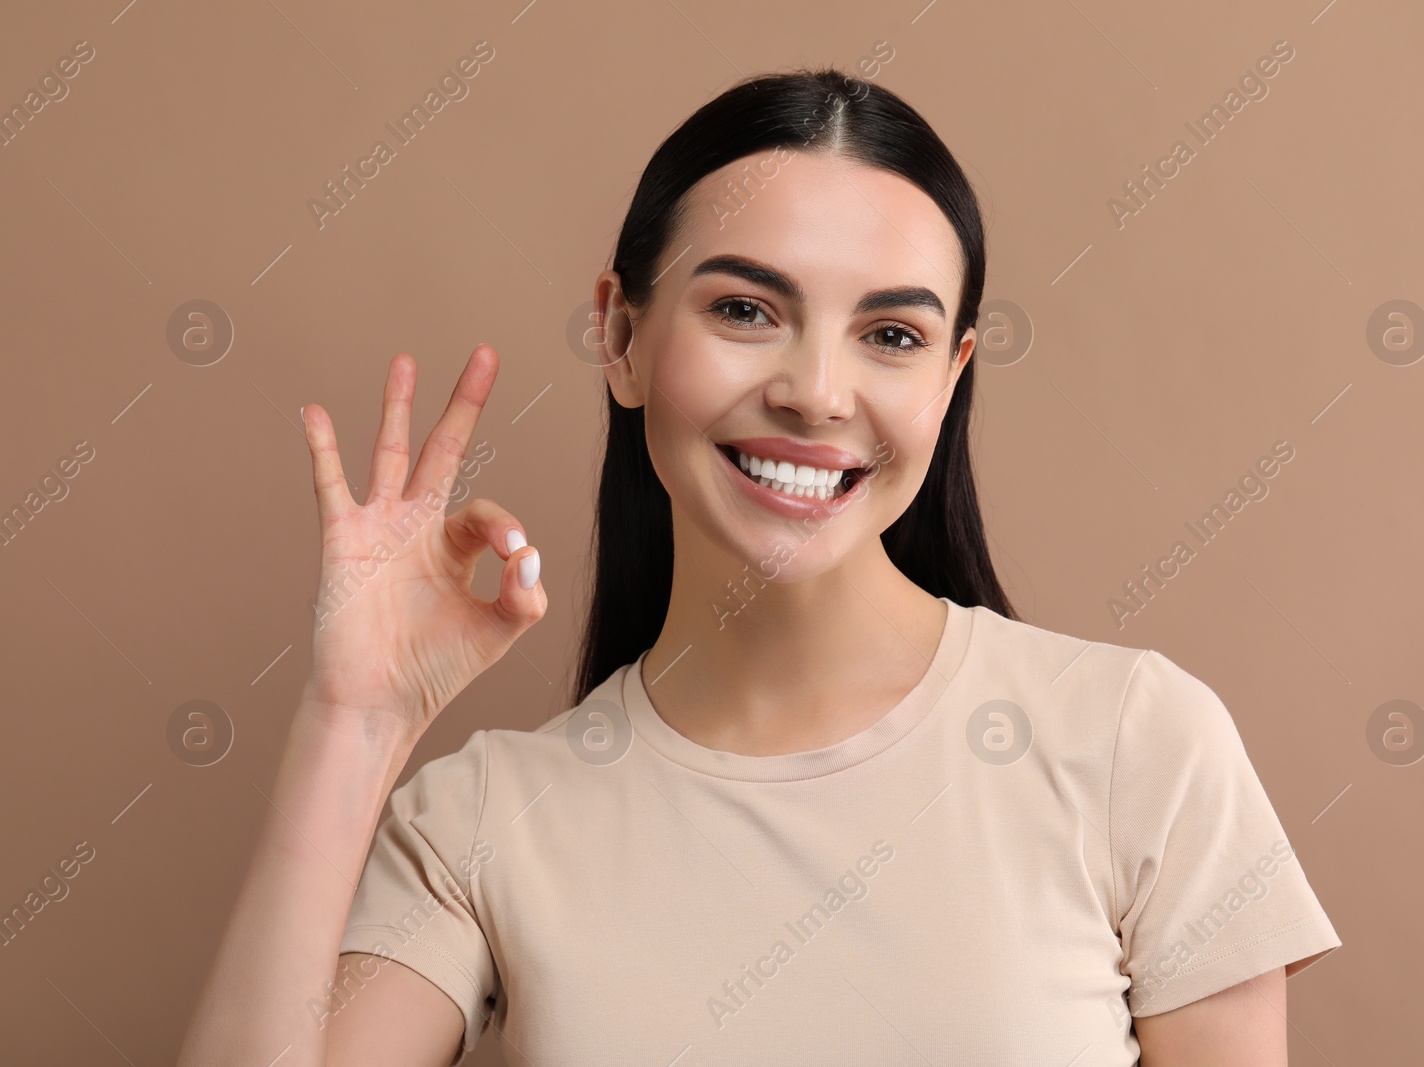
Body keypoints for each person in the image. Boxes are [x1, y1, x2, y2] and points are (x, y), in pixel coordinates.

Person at [177, 68, 1339, 1067]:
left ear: (950, 375)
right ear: (622, 338)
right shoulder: (478, 821)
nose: (815, 391)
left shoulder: (1139, 741)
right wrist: (355, 717)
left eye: (891, 334)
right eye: (745, 308)